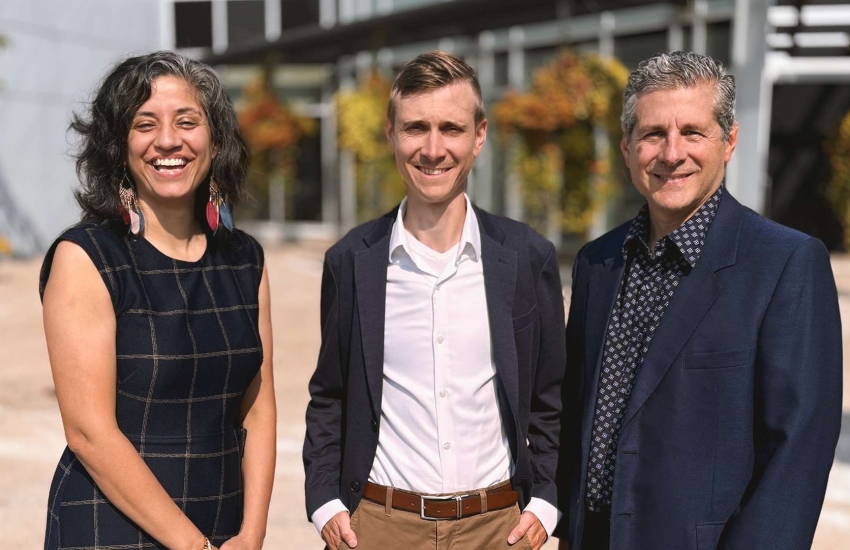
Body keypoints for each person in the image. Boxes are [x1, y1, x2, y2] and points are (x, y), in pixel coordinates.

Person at [556, 50, 842, 550]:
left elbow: (797, 450)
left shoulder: (785, 264)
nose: (671, 153)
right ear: (626, 148)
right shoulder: (597, 263)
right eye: (652, 134)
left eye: (692, 132)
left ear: (728, 141)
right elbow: (576, 413)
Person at [303, 51, 566, 550]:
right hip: (379, 527)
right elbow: (330, 395)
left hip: (499, 528)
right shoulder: (351, 261)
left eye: (451, 128)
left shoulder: (528, 257)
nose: (432, 148)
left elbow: (550, 397)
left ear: (479, 136)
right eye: (415, 128)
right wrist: (325, 503)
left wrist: (546, 501)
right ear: (391, 134)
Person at [40, 51, 276, 550]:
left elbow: (258, 409)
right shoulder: (86, 258)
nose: (168, 140)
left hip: (223, 526)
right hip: (110, 528)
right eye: (145, 124)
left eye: (187, 122)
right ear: (118, 147)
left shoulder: (245, 260)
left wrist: (251, 535)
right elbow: (88, 433)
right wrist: (193, 546)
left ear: (215, 139)